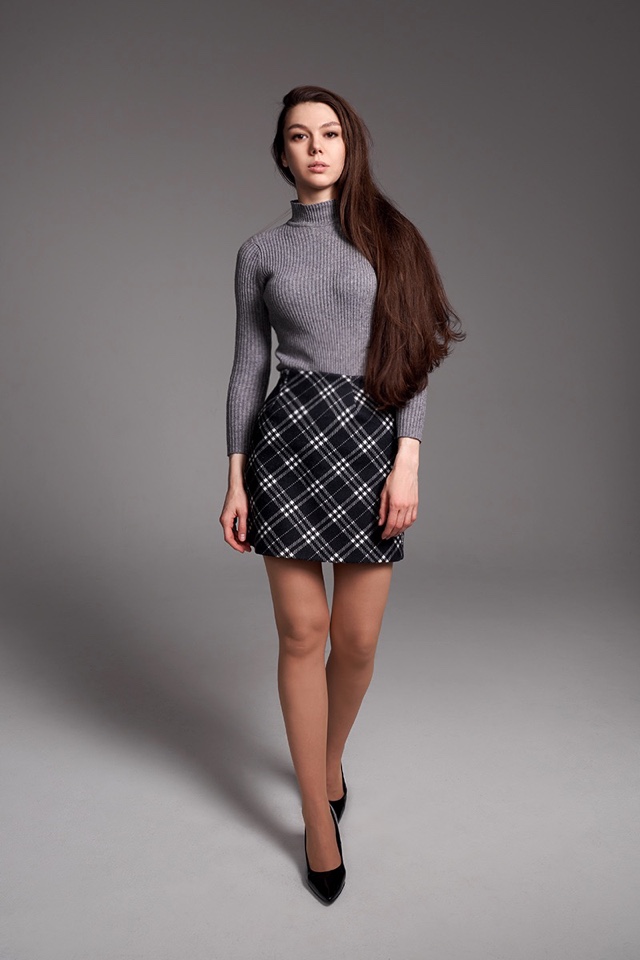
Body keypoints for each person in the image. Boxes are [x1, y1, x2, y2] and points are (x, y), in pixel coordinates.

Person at [220, 84, 464, 904]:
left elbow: (415, 350)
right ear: (282, 153)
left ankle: (326, 762)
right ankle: (315, 822)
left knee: (355, 642)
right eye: (300, 135)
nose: (317, 146)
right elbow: (249, 367)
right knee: (303, 633)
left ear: (350, 145)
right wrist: (234, 476)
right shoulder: (260, 252)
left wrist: (409, 461)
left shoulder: (391, 238)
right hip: (288, 441)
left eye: (330, 133)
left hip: (369, 439)